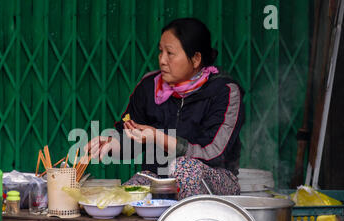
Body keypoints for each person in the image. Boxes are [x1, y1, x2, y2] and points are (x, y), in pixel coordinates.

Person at [85, 18, 245, 200]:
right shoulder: (149, 86)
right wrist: (112, 144)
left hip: (213, 181)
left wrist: (157, 137)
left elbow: (213, 153)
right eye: (161, 52)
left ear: (196, 59)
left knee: (184, 169)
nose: (162, 60)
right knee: (125, 197)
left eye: (170, 53)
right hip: (159, 179)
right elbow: (131, 138)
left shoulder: (224, 91)